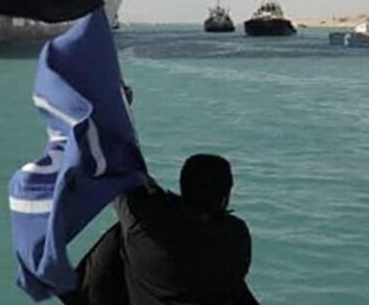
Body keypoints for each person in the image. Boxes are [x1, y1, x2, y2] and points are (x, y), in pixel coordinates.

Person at [58, 87, 256, 304]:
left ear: (184, 188)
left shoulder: (147, 224)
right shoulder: (236, 237)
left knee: (122, 235)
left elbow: (119, 163)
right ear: (224, 197)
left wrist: (119, 108)